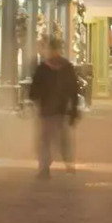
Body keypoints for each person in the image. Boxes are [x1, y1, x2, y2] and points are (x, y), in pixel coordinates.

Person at [28, 38, 79, 177]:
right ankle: (69, 165)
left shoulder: (43, 68)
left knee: (45, 140)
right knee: (63, 139)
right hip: (62, 110)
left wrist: (36, 98)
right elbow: (73, 90)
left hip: (46, 111)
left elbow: (33, 91)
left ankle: (44, 168)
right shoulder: (67, 67)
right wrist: (73, 109)